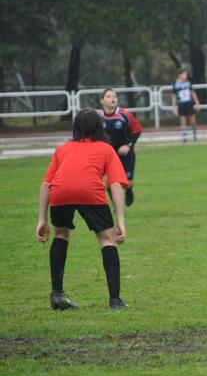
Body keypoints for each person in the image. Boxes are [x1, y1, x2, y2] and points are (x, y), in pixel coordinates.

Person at [36, 109, 129, 310]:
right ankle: (115, 300)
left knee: (60, 234)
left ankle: (57, 295)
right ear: (99, 127)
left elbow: (46, 184)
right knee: (107, 239)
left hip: (60, 192)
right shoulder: (106, 149)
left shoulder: (62, 149)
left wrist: (42, 220)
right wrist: (120, 220)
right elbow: (115, 184)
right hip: (90, 191)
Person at [98, 88, 142, 206]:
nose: (112, 99)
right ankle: (116, 204)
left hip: (126, 154)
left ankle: (129, 190)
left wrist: (128, 145)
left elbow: (137, 130)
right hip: (109, 155)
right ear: (102, 100)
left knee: (127, 182)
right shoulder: (98, 118)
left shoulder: (125, 115)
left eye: (114, 96)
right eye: (108, 96)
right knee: (107, 181)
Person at [172, 68, 201, 143]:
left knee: (193, 120)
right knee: (183, 121)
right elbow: (174, 96)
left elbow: (193, 92)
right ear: (179, 75)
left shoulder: (188, 83)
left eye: (186, 74)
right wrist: (174, 107)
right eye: (184, 74)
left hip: (189, 103)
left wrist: (197, 102)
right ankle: (184, 138)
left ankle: (195, 137)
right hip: (181, 104)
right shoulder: (175, 84)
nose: (186, 76)